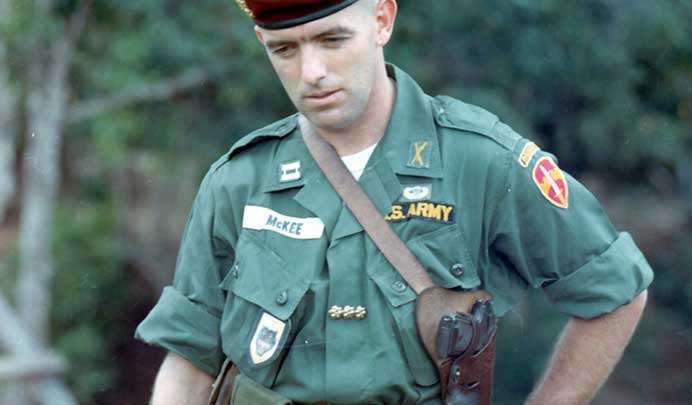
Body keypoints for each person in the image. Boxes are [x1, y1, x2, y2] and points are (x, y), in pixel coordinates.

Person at [136, 0, 653, 404]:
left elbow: (614, 290)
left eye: (331, 39)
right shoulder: (240, 180)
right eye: (284, 49)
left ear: (382, 20)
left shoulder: (479, 160)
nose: (311, 71)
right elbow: (191, 354)